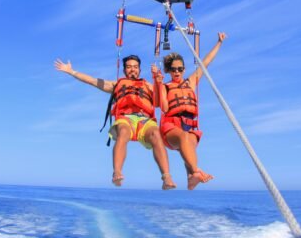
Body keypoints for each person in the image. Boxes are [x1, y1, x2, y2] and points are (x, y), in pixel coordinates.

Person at [54, 54, 176, 190]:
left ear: (140, 70)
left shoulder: (148, 85)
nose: (132, 70)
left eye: (135, 67)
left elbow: (161, 104)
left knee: (156, 134)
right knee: (123, 132)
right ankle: (117, 172)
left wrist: (158, 82)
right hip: (125, 119)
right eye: (129, 67)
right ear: (124, 70)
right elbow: (93, 81)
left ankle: (166, 177)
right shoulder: (116, 84)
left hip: (144, 120)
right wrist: (72, 71)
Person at [152, 32, 227, 190]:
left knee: (189, 141)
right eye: (173, 69)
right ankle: (196, 171)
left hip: (189, 126)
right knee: (184, 137)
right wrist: (158, 84)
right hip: (170, 129)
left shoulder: (191, 82)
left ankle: (191, 179)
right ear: (168, 71)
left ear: (184, 69)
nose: (177, 72)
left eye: (180, 68)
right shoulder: (165, 86)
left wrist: (219, 43)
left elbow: (205, 62)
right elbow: (164, 108)